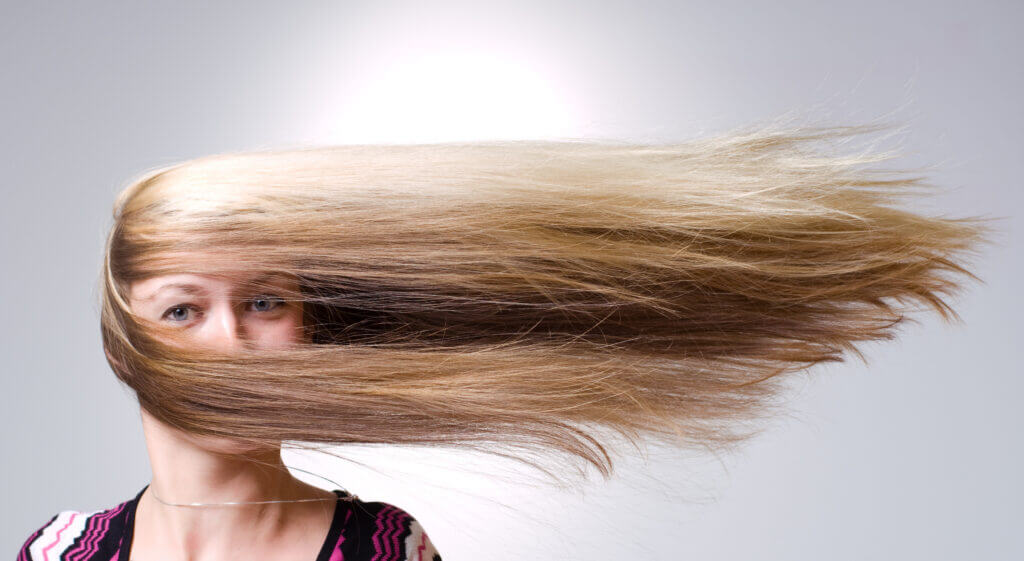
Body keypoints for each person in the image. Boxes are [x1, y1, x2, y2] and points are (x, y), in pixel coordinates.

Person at [18, 120, 995, 560]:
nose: (232, 339)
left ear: (312, 324)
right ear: (121, 343)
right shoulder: (56, 553)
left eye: (265, 301)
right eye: (182, 310)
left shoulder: (384, 552)